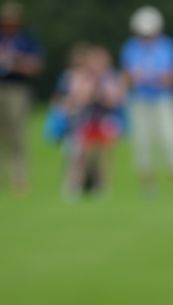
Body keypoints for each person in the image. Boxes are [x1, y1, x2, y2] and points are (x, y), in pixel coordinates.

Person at [121, 5, 173, 197]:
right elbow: (126, 76)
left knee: (172, 140)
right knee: (142, 143)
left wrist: (155, 78)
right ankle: (148, 187)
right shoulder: (131, 47)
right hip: (140, 100)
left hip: (164, 99)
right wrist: (136, 78)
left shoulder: (168, 46)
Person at [50, 44, 126, 199]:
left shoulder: (110, 78)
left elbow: (116, 99)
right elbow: (76, 97)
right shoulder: (80, 76)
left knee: (103, 155)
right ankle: (74, 185)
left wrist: (102, 93)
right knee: (79, 154)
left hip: (104, 120)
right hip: (83, 120)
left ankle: (101, 186)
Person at [0, 1, 42, 194]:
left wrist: (16, 61)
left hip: (17, 88)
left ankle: (19, 178)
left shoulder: (27, 40)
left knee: (17, 135)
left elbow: (35, 66)